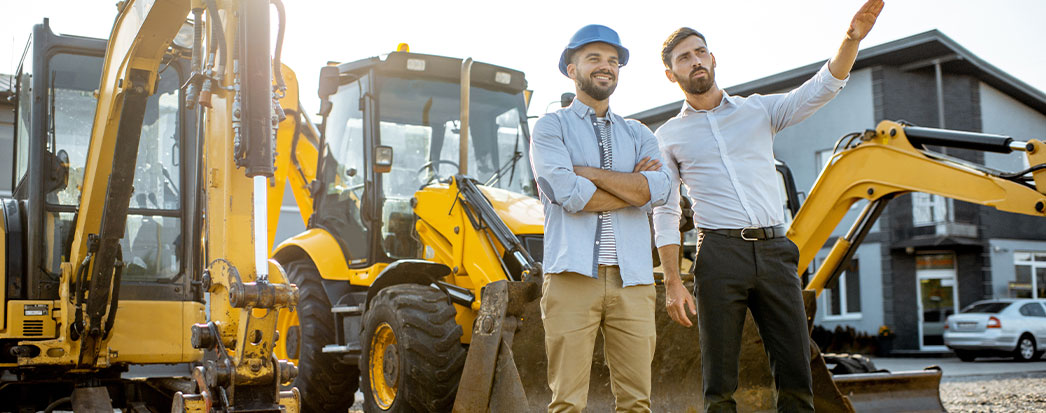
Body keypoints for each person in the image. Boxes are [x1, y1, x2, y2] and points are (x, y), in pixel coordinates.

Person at [651, 1, 884, 411]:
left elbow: (823, 86)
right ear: (671, 74)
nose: (695, 61)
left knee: (795, 368)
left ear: (713, 58)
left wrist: (850, 40)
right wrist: (672, 281)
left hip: (776, 251)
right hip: (719, 255)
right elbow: (666, 211)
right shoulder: (668, 136)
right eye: (684, 58)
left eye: (700, 52)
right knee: (719, 380)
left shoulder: (758, 110)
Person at [530, 24, 671, 413]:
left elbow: (658, 190)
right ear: (571, 69)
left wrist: (589, 173)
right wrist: (631, 188)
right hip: (572, 278)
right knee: (567, 404)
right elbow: (567, 194)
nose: (605, 66)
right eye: (593, 58)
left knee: (637, 404)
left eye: (613, 60)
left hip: (634, 282)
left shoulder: (640, 133)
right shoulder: (550, 128)